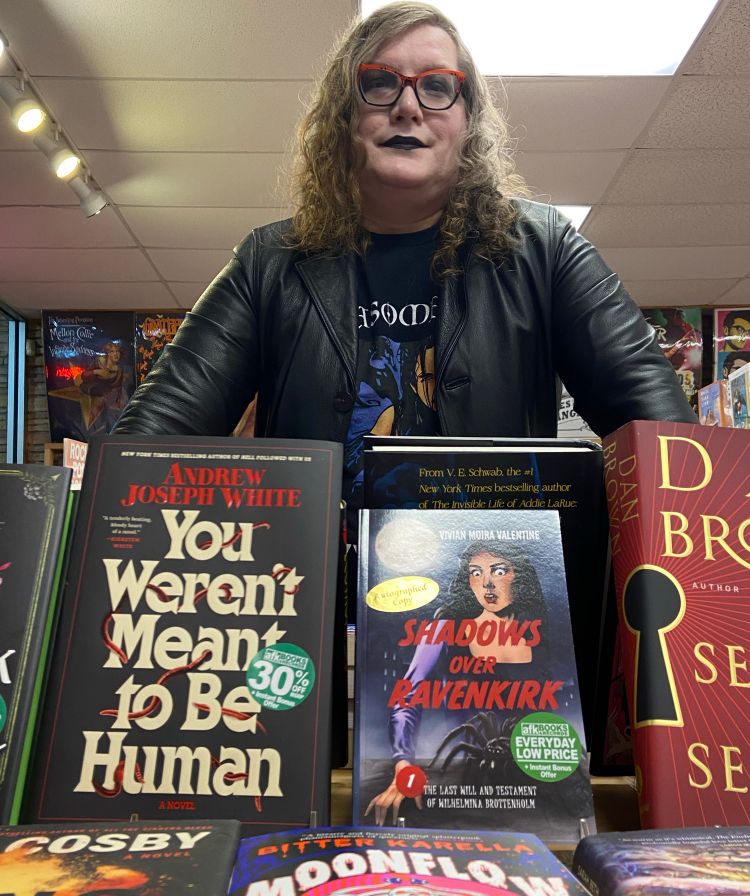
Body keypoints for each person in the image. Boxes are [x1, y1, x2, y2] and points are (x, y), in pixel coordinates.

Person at [113, 0, 696, 512]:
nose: (408, 107)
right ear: (345, 117)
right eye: (380, 82)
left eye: (437, 86)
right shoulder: (269, 263)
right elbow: (146, 444)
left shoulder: (547, 251)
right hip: (311, 607)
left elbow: (665, 440)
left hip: (492, 605)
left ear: (468, 122)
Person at [366, 541, 550, 825]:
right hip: (467, 779)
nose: (486, 583)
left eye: (499, 570)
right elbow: (408, 697)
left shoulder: (538, 636)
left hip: (531, 781)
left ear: (520, 576)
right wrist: (403, 764)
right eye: (476, 573)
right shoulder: (443, 631)